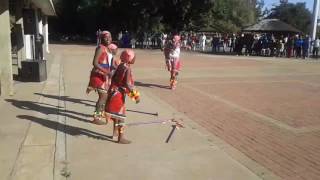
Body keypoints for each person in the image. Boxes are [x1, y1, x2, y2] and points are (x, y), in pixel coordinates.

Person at [105, 49, 140, 144]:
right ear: (129, 58)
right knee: (121, 117)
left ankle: (114, 134)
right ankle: (121, 138)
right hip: (118, 95)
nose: (135, 59)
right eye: (134, 57)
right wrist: (135, 96)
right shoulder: (127, 68)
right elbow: (128, 84)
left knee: (116, 116)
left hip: (113, 92)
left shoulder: (121, 65)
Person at [86, 31, 114, 124]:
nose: (108, 39)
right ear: (101, 39)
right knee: (103, 97)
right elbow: (95, 63)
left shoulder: (106, 48)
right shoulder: (100, 48)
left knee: (104, 97)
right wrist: (107, 72)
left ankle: (99, 114)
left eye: (110, 37)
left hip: (104, 75)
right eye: (106, 37)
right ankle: (96, 118)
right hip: (99, 75)